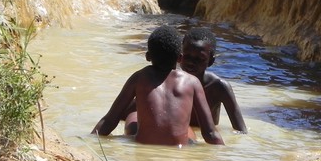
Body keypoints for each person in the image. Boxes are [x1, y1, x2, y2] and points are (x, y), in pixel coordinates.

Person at [91, 25, 224, 146]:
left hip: (143, 148)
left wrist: (88, 142)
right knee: (188, 131)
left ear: (148, 56)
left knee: (132, 116)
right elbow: (210, 133)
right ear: (180, 58)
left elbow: (109, 121)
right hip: (178, 156)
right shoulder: (192, 82)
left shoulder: (138, 78)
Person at [180, 27, 248, 133]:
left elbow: (241, 131)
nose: (191, 62)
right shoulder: (170, 81)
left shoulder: (219, 87)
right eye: (187, 56)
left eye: (199, 59)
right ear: (179, 54)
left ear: (211, 61)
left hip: (206, 140)